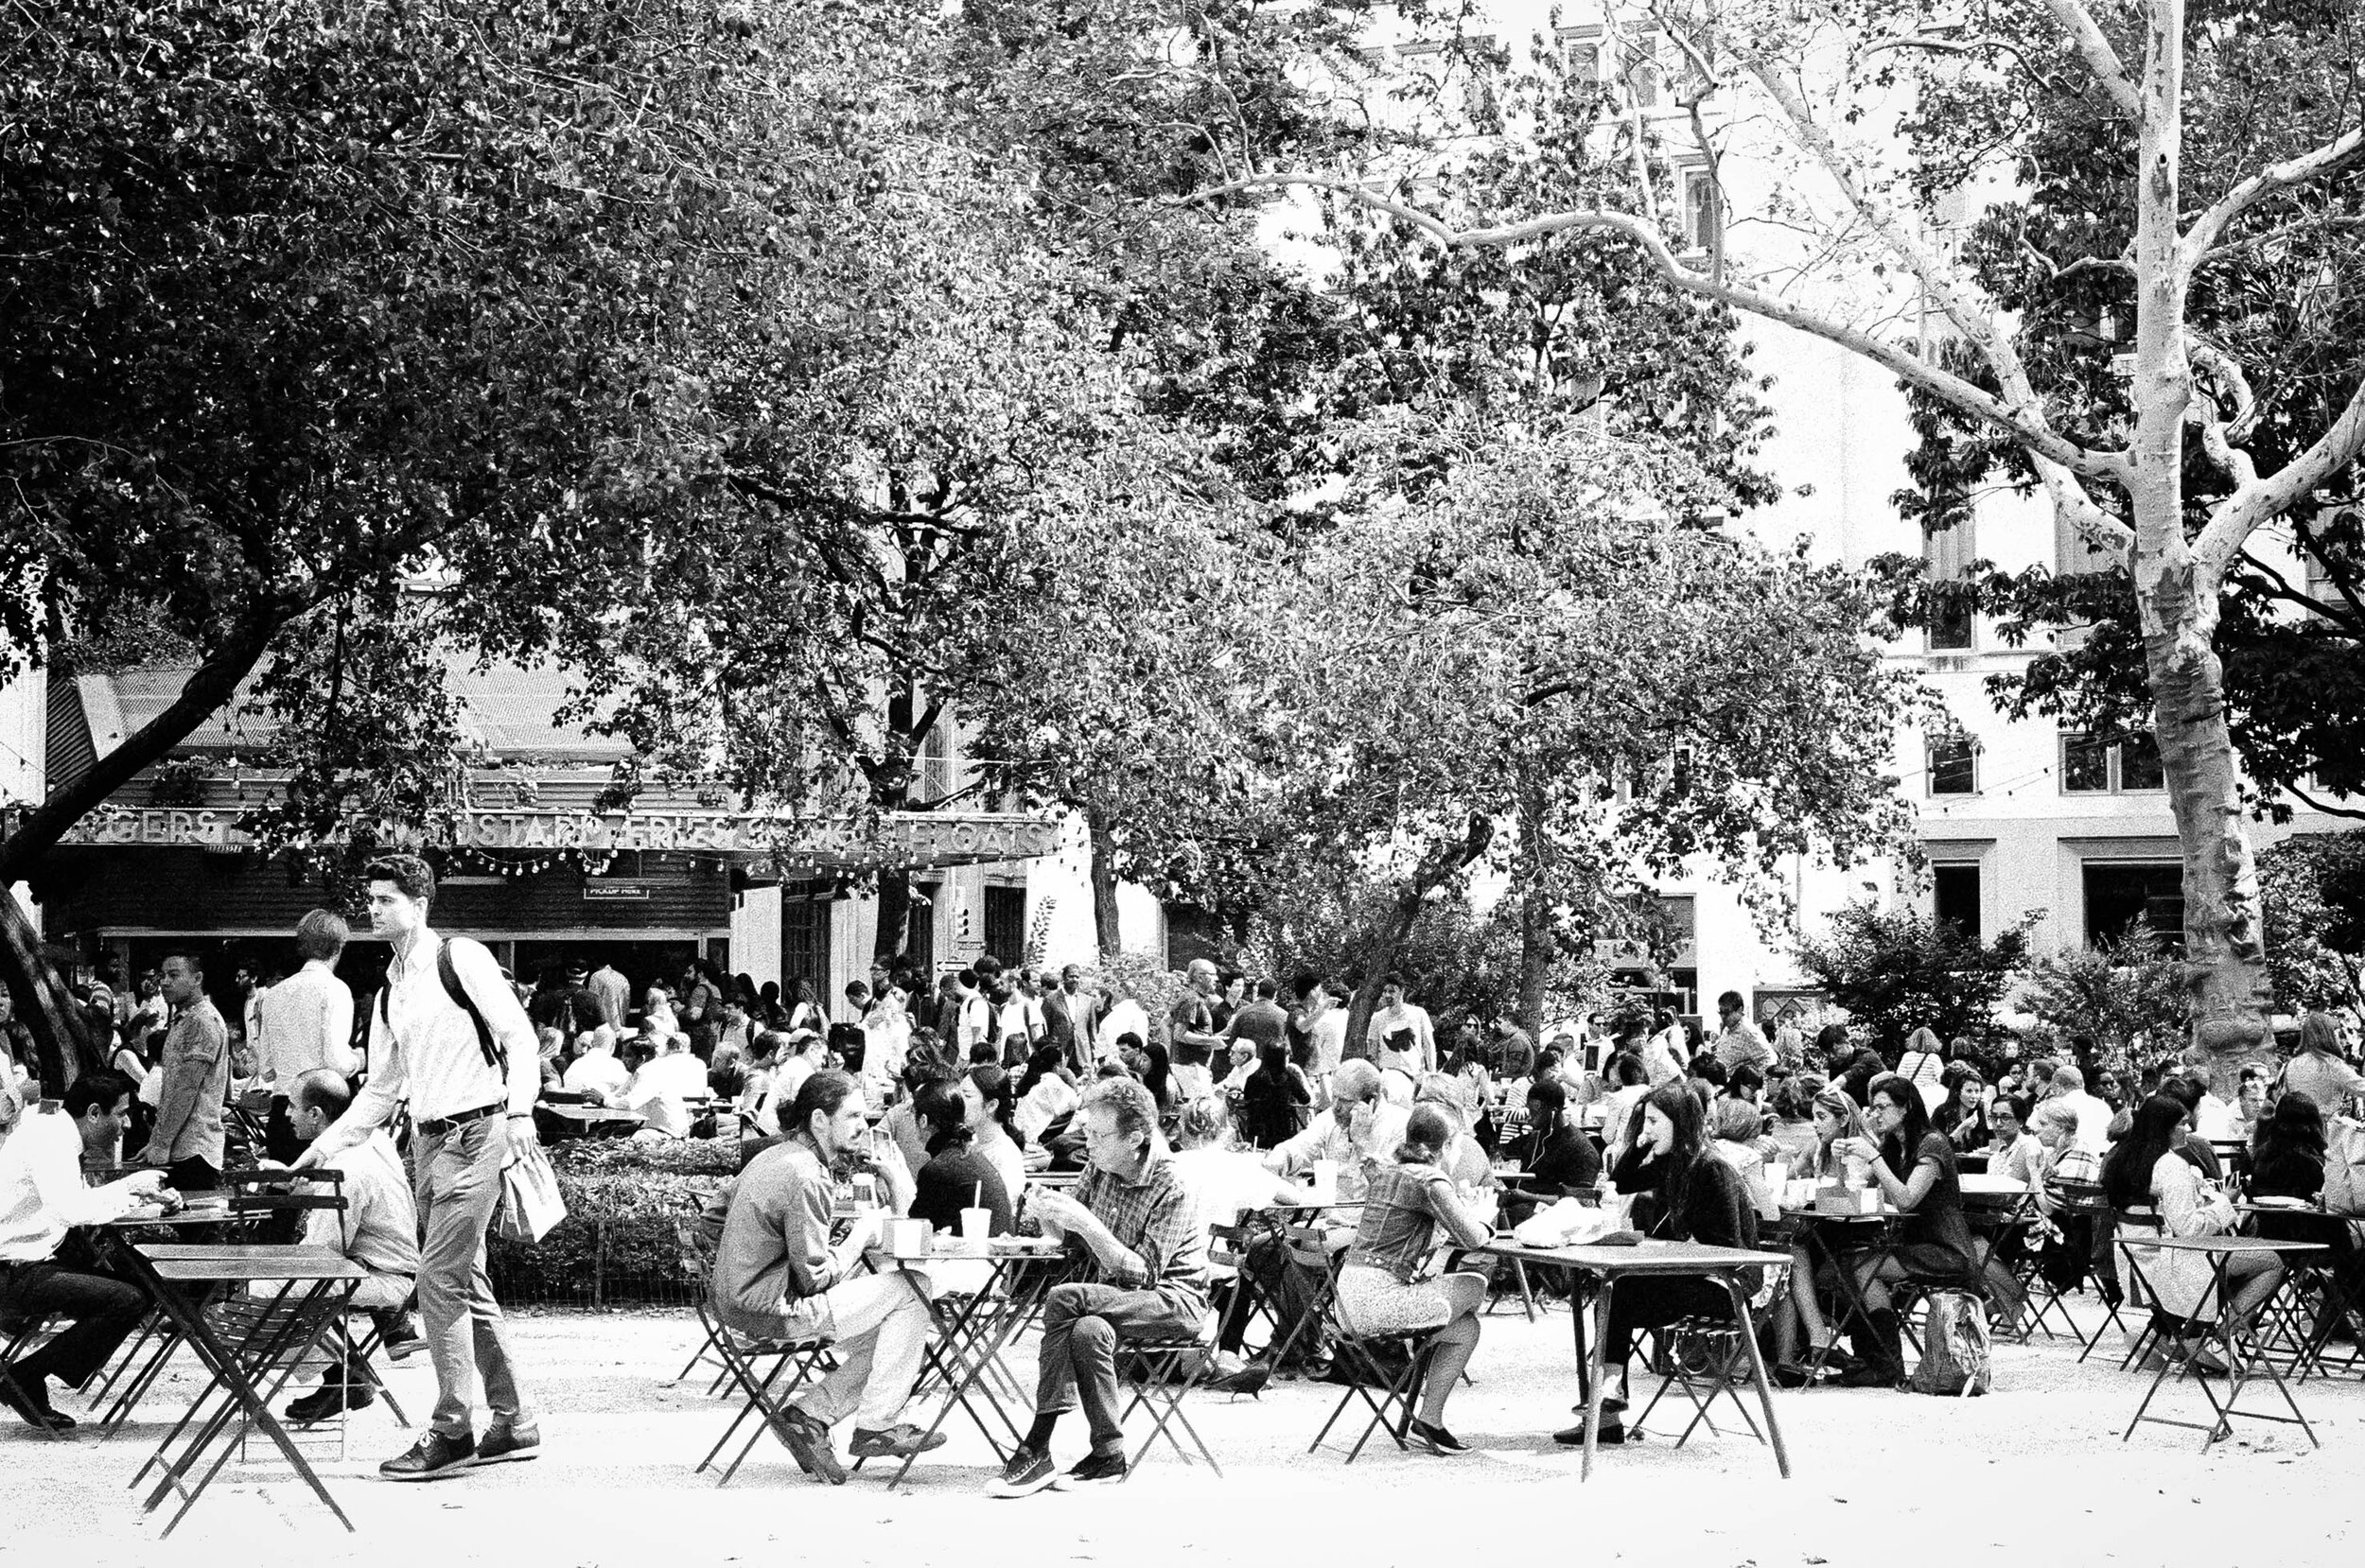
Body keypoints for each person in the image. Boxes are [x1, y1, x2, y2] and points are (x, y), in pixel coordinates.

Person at [293, 852, 542, 1481]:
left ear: (420, 903)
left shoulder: (460, 959)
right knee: (465, 1281)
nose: (374, 910)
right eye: (371, 900)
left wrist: (519, 1116)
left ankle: (453, 1428)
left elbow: (519, 1038)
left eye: (386, 900)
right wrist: (324, 1148)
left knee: (438, 1281)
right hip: (428, 1145)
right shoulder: (389, 990)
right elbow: (380, 1090)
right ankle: (515, 1422)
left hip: (479, 1132)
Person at [710, 1071, 939, 1483]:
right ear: (819, 1120)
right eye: (852, 1116)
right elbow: (815, 1278)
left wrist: (746, 1258)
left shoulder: (769, 1156)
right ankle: (876, 1424)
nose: (864, 1126)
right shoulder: (808, 1175)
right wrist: (859, 1236)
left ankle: (810, 1415)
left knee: (892, 1334)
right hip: (773, 1312)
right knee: (914, 1289)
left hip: (735, 1304)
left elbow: (710, 1217)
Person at [992, 1077, 1211, 1494]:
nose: (1086, 1142)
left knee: (1065, 1297)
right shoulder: (1100, 1168)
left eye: (1097, 1134)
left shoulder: (1172, 1185)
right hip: (1114, 1300)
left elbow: (1144, 1273)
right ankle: (1109, 1454)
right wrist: (1047, 1213)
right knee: (1087, 1330)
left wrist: (1086, 1223)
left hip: (1174, 1300)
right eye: (1086, 1131)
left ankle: (1037, 1445)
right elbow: (1067, 1242)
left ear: (1134, 1139)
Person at [1565, 1083, 1761, 1444]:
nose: (1647, 1130)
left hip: (1724, 1288)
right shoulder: (1672, 1163)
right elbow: (1621, 1182)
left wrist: (1674, 1254)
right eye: (1644, 1123)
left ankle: (1607, 1405)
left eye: (1654, 1121)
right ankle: (1607, 1410)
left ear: (1681, 1122)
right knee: (1612, 1291)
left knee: (1619, 1293)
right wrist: (1637, 1146)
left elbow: (1732, 1253)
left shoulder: (1714, 1169)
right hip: (1685, 1276)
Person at [1330, 1105, 1494, 1455]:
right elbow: (1474, 1239)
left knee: (1467, 1330)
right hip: (1376, 1304)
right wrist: (1484, 1215)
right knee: (1474, 1284)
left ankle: (1429, 1422)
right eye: (1458, 1145)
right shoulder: (1430, 1180)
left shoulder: (1391, 1173)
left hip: (1347, 1298)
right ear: (1446, 1146)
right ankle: (1426, 1407)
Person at [0, 1071, 159, 1430]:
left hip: (29, 1260)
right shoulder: (51, 1141)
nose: (127, 1124)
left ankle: (28, 1375)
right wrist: (132, 1189)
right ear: (93, 1113)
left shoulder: (55, 1134)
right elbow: (70, 1211)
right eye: (121, 1113)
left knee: (142, 1285)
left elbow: (77, 1202)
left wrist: (138, 1196)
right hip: (12, 1271)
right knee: (129, 1299)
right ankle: (25, 1377)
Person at [277, 1069, 426, 1422]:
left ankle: (344, 1378)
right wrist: (307, 1191)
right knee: (291, 1284)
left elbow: (322, 1252)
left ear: (315, 1115)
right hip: (390, 1266)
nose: (286, 1114)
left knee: (267, 1290)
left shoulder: (344, 1171)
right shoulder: (371, 1140)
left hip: (382, 1276)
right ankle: (347, 1372)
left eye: (292, 1106)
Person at [1830, 1073, 1989, 1386]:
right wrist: (1843, 1159)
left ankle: (1886, 1363)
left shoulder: (1933, 1144)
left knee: (1863, 1269)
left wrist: (1873, 1157)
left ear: (1906, 1108)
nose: (1875, 1114)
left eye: (1882, 1107)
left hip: (1946, 1248)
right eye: (1872, 1108)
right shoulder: (1894, 1145)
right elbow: (1862, 1190)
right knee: (1841, 1267)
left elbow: (1905, 1198)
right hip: (1912, 1243)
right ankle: (1874, 1359)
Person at [2107, 1093, 2283, 1372]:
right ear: (2164, 1128)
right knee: (2271, 1261)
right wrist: (2226, 1202)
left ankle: (2167, 1333)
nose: (2187, 1130)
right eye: (2181, 1125)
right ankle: (2221, 1334)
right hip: (2176, 1261)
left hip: (2137, 1259)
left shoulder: (2119, 1161)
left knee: (2235, 1260)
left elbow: (2167, 1216)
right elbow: (2188, 1228)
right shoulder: (2169, 1165)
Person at [250, 911, 360, 1165]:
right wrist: (359, 1060)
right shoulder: (335, 990)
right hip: (320, 1114)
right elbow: (336, 1063)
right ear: (338, 948)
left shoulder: (274, 995)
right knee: (324, 1198)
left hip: (283, 1111)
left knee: (285, 1196)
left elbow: (266, 1069)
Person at [131, 950, 228, 1193]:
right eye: (162, 976)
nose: (164, 982)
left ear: (197, 979)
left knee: (195, 1225)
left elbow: (186, 1088)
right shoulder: (184, 1018)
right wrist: (158, 1141)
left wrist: (162, 1143)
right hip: (180, 1145)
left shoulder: (201, 1020)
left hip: (195, 1149)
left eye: (173, 975)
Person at [907, 1078, 1014, 1235]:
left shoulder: (938, 1168)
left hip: (976, 1256)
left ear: (923, 1121)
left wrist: (895, 1177)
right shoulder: (969, 1155)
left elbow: (915, 1230)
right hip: (997, 1257)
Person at [1498, 1077, 1602, 1227]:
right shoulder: (1534, 1139)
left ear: (1552, 1113)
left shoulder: (1581, 1149)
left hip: (1558, 1218)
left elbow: (1582, 1200)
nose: (1528, 1118)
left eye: (1534, 1113)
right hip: (1527, 1209)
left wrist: (1527, 1196)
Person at [2282, 1012, 2365, 1116]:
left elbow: (2284, 1096)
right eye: (2336, 1033)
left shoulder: (2292, 1064)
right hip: (2324, 1127)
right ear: (2329, 1035)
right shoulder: (2332, 1065)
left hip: (2296, 1127)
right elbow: (2361, 1087)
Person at [968, 1064, 1030, 1198]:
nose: (959, 1101)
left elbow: (1004, 1210)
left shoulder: (1005, 1156)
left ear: (991, 1105)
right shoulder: (973, 1144)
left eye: (967, 1096)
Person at [1236, 1039, 1310, 1150]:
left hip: (1258, 1133)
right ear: (1282, 1057)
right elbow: (1305, 1099)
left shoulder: (1253, 1078)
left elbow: (1247, 1099)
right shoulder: (1288, 1078)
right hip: (1284, 1133)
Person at [1366, 974, 1436, 1077]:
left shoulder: (1419, 1013)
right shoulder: (1377, 1018)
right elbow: (1372, 1050)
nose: (1387, 995)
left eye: (1392, 991)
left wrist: (1432, 1072)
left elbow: (1429, 1045)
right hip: (1388, 1076)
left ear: (1402, 991)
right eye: (1384, 991)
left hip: (1415, 1075)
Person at [2048, 1064, 2114, 1154]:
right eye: (2104, 1084)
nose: (2109, 1088)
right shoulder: (2102, 1106)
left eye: (2112, 1083)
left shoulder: (2058, 1106)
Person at [1708, 992, 1775, 1076]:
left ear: (1740, 1010)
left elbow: (1768, 1059)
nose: (1723, 1016)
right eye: (1721, 1012)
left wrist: (1757, 1085)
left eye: (1727, 1012)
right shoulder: (1727, 1029)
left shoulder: (1749, 1032)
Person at [1936, 1071, 1992, 1152]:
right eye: (1969, 1091)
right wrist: (1961, 1129)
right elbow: (1937, 1148)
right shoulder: (1943, 1112)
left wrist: (1990, 1120)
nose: (1974, 1096)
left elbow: (1995, 1146)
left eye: (1977, 1091)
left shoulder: (1981, 1110)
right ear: (1958, 1092)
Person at [587, 959, 629, 1029]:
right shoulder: (622, 977)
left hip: (603, 1023)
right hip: (621, 1022)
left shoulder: (596, 976)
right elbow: (626, 1001)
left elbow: (593, 1000)